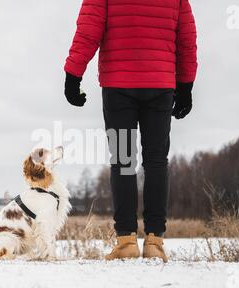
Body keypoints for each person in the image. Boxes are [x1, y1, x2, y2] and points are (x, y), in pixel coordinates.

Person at [64, 0, 197, 261]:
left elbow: (88, 30)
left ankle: (126, 241)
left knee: (123, 161)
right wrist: (185, 85)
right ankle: (154, 242)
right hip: (160, 85)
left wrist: (73, 74)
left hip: (118, 87)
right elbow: (186, 38)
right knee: (157, 161)